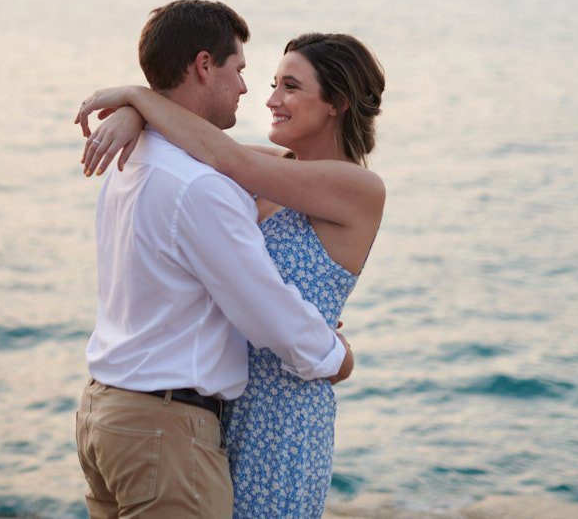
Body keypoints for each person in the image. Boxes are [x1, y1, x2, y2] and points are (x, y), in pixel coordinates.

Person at [76, 28, 386, 519]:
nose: (270, 100)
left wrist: (136, 96)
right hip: (215, 412)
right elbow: (194, 137)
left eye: (290, 87)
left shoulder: (357, 187)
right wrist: (139, 115)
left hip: (283, 416)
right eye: (271, 83)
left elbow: (220, 153)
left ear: (337, 103)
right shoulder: (269, 168)